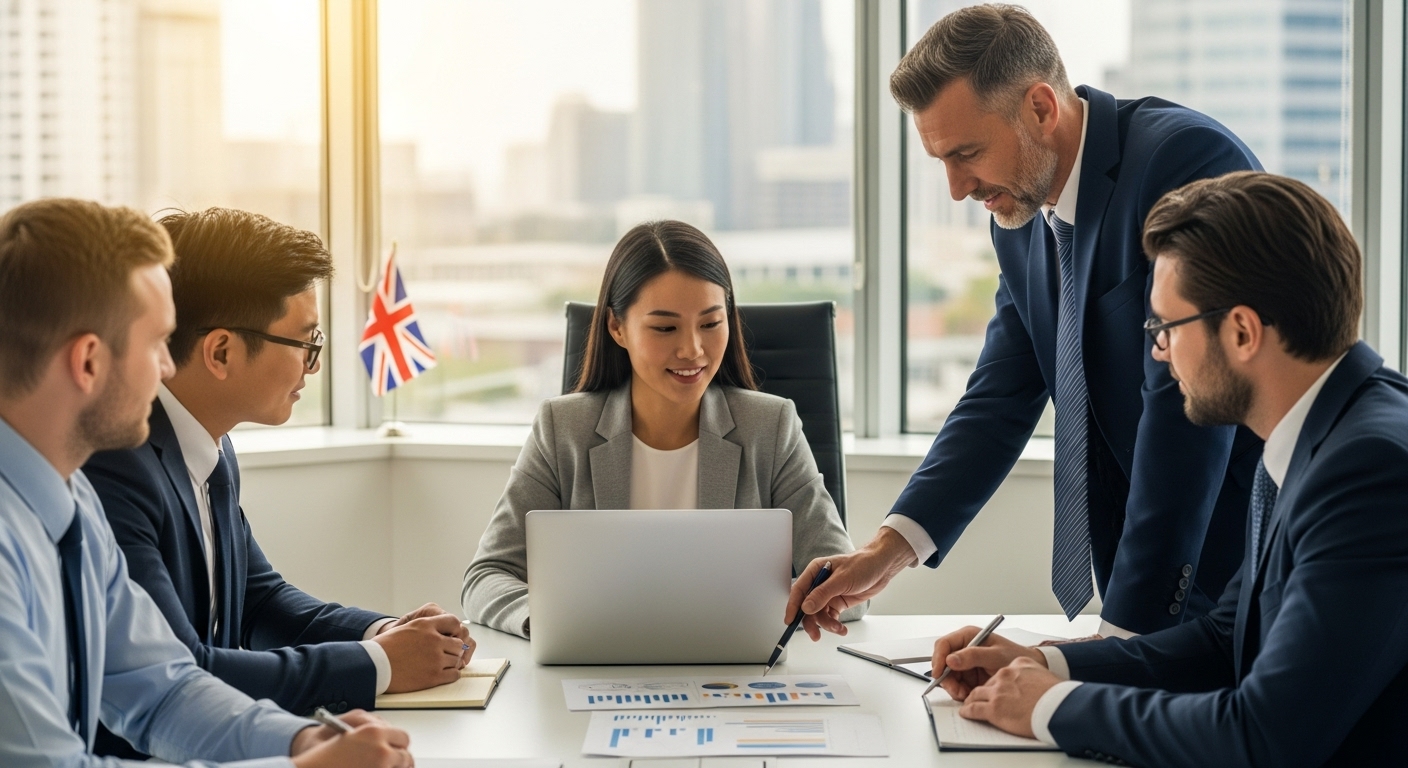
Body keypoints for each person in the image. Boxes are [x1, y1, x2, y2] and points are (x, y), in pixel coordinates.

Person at [789, 3, 1263, 641]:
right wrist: (888, 550)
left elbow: (1187, 415)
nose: (958, 188)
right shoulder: (1018, 219)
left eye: (968, 154)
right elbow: (999, 396)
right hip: (1144, 590)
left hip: (1243, 566)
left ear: (1041, 107)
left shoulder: (1182, 162)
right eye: (942, 162)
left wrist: (1122, 637)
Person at [930, 172, 1408, 766]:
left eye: (1163, 327)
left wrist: (1052, 706)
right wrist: (1046, 663)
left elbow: (1264, 735)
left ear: (1241, 331)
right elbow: (1223, 639)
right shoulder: (1311, 435)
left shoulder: (1371, 469)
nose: (1155, 351)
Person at [0, 198, 413, 767]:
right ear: (89, 362)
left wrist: (298, 741)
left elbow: (164, 689)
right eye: (155, 345)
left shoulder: (71, 503)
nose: (169, 368)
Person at [82, 208, 471, 757]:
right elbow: (184, 669)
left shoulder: (208, 443)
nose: (313, 368)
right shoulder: (115, 464)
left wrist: (384, 632)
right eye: (307, 344)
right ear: (221, 352)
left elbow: (260, 602)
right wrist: (381, 665)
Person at [463, 220, 861, 638]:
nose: (692, 349)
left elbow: (848, 581)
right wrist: (553, 622)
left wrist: (768, 615)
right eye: (665, 327)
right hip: (598, 670)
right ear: (617, 328)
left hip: (734, 676)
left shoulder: (770, 428)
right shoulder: (563, 430)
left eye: (710, 323)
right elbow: (487, 576)